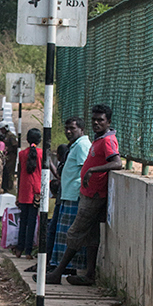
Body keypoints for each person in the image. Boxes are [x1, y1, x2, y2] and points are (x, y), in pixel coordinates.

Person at [45, 105, 122, 285]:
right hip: (88, 192)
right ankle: (89, 274)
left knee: (74, 232)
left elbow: (117, 163)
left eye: (100, 120)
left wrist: (92, 170)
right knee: (91, 235)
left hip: (94, 194)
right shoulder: (98, 139)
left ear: (108, 122)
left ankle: (57, 273)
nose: (96, 123)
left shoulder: (108, 140)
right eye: (94, 119)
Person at [48, 117, 91, 274]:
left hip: (75, 196)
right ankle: (62, 267)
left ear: (81, 129)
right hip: (68, 195)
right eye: (66, 128)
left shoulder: (82, 146)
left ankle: (68, 268)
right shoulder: (75, 145)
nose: (68, 131)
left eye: (72, 128)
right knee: (63, 234)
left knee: (70, 235)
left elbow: (84, 170)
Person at [14, 128, 42, 259]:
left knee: (23, 222)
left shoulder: (22, 154)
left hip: (24, 192)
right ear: (40, 140)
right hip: (36, 192)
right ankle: (29, 252)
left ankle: (19, 249)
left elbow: (19, 174)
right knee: (32, 223)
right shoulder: (42, 154)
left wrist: (18, 194)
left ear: (27, 139)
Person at [0, 120, 18, 192]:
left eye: (2, 129)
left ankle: (9, 188)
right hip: (7, 156)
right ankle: (5, 187)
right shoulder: (5, 136)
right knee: (5, 172)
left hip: (11, 157)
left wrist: (10, 152)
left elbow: (15, 145)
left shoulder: (11, 136)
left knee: (9, 172)